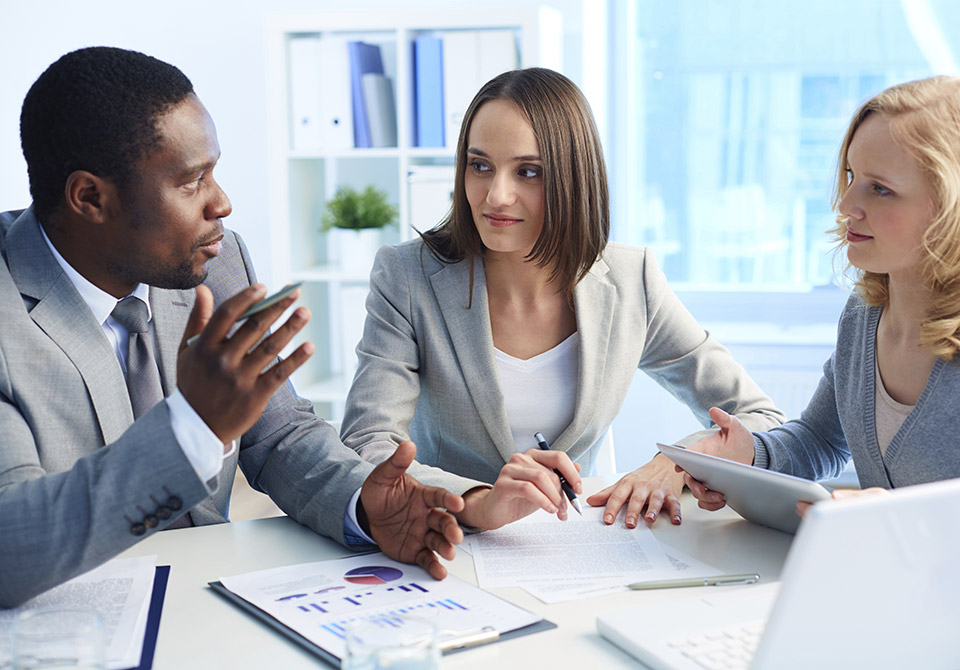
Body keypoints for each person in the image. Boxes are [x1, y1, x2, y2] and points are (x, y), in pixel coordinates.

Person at [0, 47, 464, 609]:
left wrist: (362, 502)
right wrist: (193, 428)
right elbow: (12, 544)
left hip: (214, 605)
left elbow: (278, 434)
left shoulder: (213, 260)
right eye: (192, 181)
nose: (222, 203)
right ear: (90, 197)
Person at [339, 67, 785, 532]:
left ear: (573, 178)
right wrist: (475, 501)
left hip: (578, 542)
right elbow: (368, 442)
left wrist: (677, 463)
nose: (496, 195)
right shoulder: (408, 277)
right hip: (448, 542)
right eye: (480, 165)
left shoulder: (632, 280)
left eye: (527, 172)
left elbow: (763, 419)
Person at [683, 76, 960, 515]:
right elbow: (820, 438)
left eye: (880, 188)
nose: (846, 202)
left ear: (950, 206)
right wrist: (750, 455)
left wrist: (898, 516)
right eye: (852, 175)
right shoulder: (863, 313)